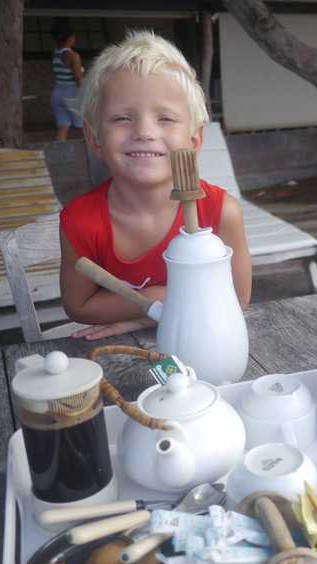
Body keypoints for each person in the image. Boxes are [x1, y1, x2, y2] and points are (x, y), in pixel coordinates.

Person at [59, 30, 252, 341]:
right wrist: (160, 298)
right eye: (122, 118)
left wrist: (146, 317)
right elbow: (78, 306)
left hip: (206, 347)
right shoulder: (80, 221)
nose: (145, 132)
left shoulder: (220, 213)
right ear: (94, 138)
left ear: (194, 139)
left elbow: (238, 301)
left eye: (165, 118)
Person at [50, 18, 84, 141]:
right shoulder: (74, 56)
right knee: (84, 127)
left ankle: (59, 151)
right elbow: (78, 78)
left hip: (57, 94)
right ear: (70, 38)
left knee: (63, 126)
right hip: (72, 94)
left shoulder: (56, 53)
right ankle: (90, 151)